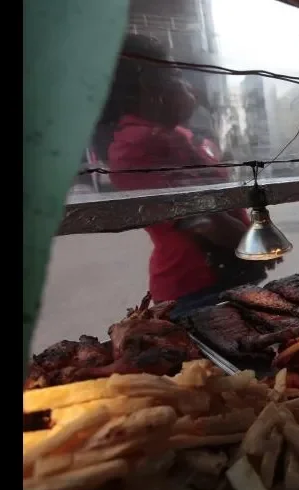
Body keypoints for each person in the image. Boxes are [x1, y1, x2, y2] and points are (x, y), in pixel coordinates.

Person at [95, 34, 274, 304]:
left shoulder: (178, 134)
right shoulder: (134, 145)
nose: (190, 88)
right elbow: (197, 219)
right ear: (151, 85)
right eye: (176, 75)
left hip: (230, 274)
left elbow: (219, 197)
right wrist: (255, 244)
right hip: (194, 290)